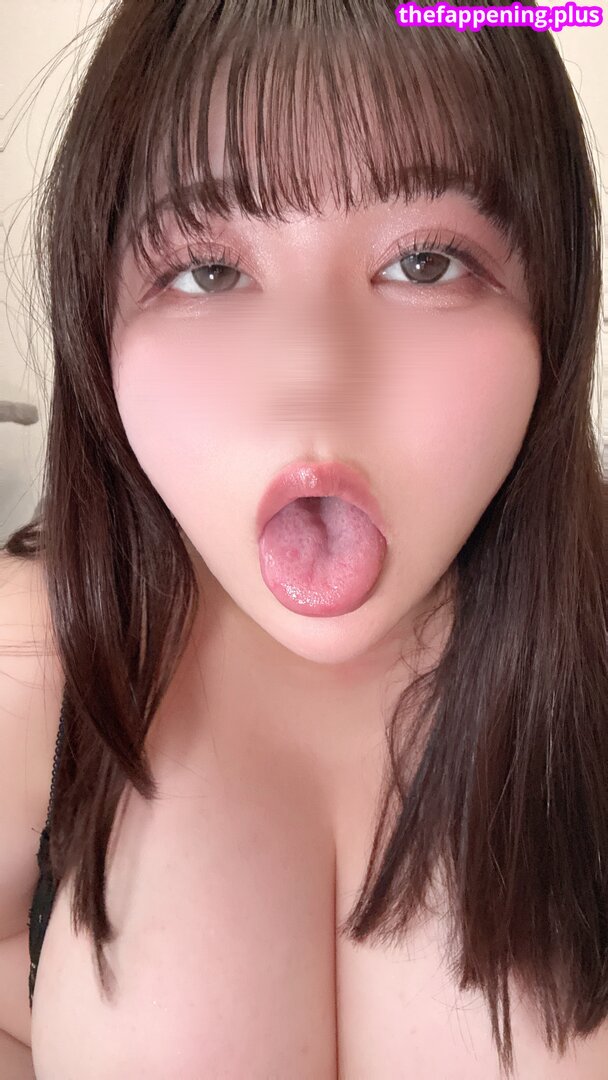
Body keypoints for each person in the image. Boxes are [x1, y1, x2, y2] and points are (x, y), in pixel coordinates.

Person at [1, 0, 606, 1076]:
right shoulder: (32, 657)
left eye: (427, 264)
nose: (313, 373)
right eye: (209, 272)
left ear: (555, 308)